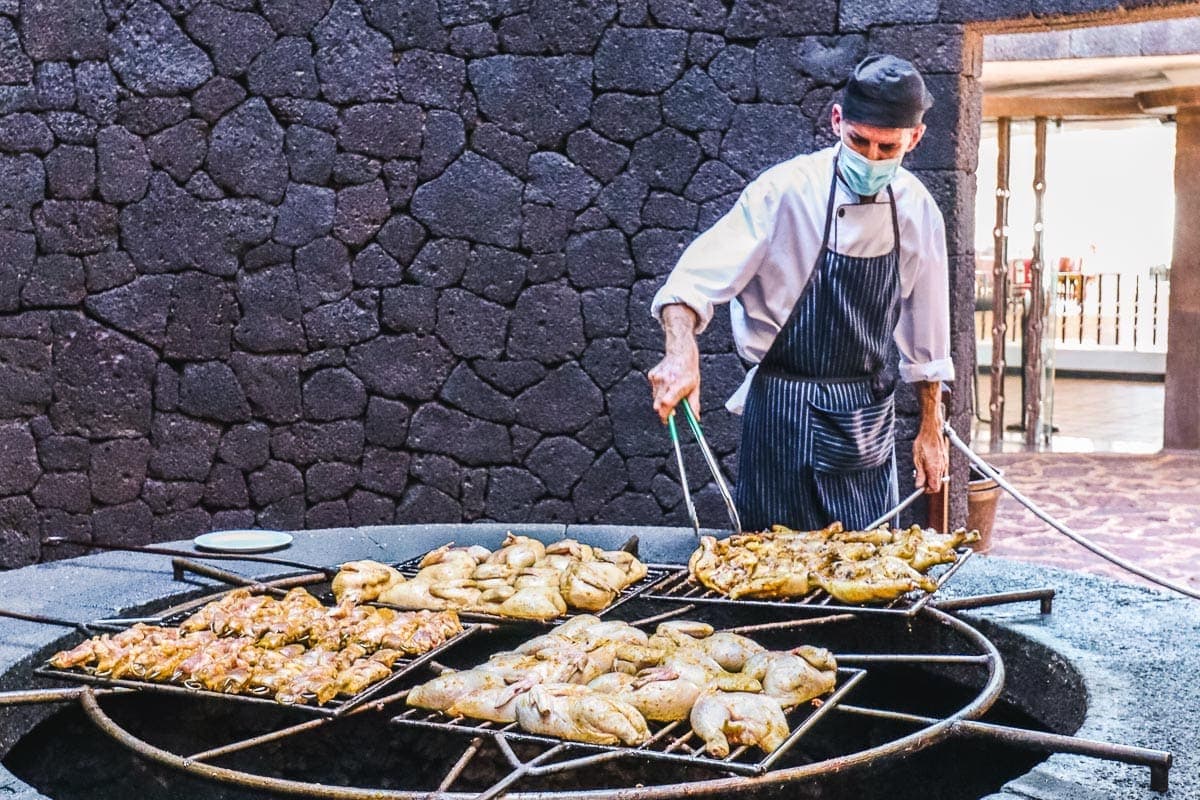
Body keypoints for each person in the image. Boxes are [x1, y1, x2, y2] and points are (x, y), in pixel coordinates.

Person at [647, 54, 953, 533]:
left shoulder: (917, 210)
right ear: (837, 121)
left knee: (871, 571)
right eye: (859, 140)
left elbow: (928, 334)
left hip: (862, 416)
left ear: (914, 139)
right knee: (768, 571)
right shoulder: (784, 192)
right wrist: (680, 350)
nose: (871, 158)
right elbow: (689, 284)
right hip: (781, 412)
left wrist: (931, 427)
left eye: (886, 147)